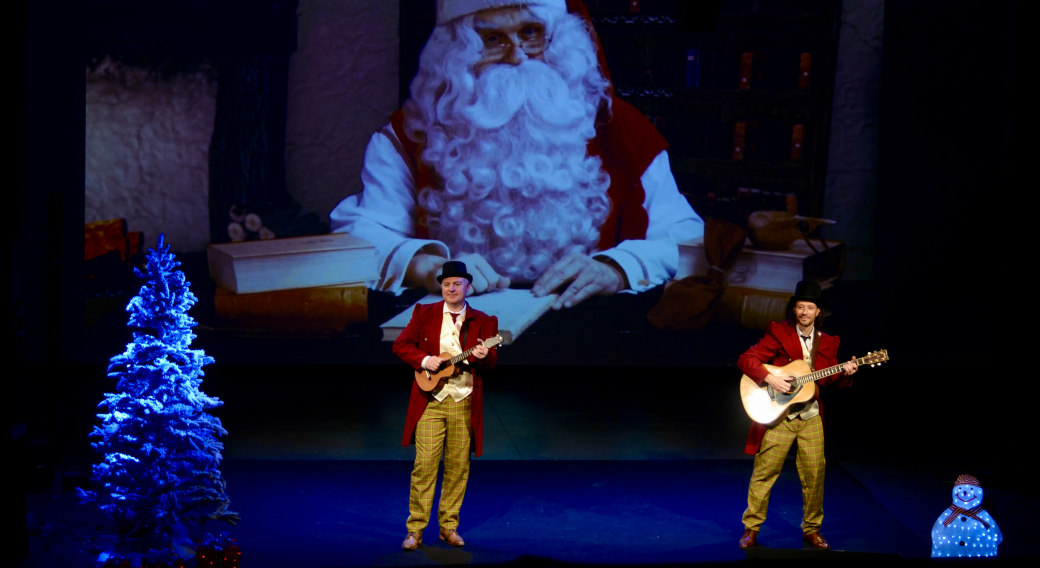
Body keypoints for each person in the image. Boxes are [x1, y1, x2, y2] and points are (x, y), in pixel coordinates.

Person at [330, 0, 703, 310]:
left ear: (556, 38)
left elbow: (689, 241)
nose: (517, 56)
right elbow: (358, 237)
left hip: (593, 336)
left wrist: (618, 268)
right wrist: (427, 266)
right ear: (457, 53)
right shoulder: (408, 135)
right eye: (492, 38)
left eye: (530, 32)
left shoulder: (623, 130)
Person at [735, 280, 858, 550]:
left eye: (809, 307)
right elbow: (746, 359)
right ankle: (751, 529)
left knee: (815, 475)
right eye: (800, 307)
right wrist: (771, 378)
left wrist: (846, 374)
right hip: (781, 416)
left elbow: (827, 382)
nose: (804, 312)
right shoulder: (779, 333)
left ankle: (811, 530)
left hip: (810, 416)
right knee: (764, 473)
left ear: (818, 312)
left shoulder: (828, 342)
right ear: (794, 309)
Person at [392, 260, 499, 549]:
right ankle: (415, 530)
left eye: (457, 283)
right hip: (431, 401)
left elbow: (489, 364)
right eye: (446, 284)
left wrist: (481, 354)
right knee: (424, 465)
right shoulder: (424, 312)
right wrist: (425, 360)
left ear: (468, 287)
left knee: (457, 467)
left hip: (463, 402)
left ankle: (448, 527)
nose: (451, 288)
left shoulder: (484, 320)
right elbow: (401, 345)